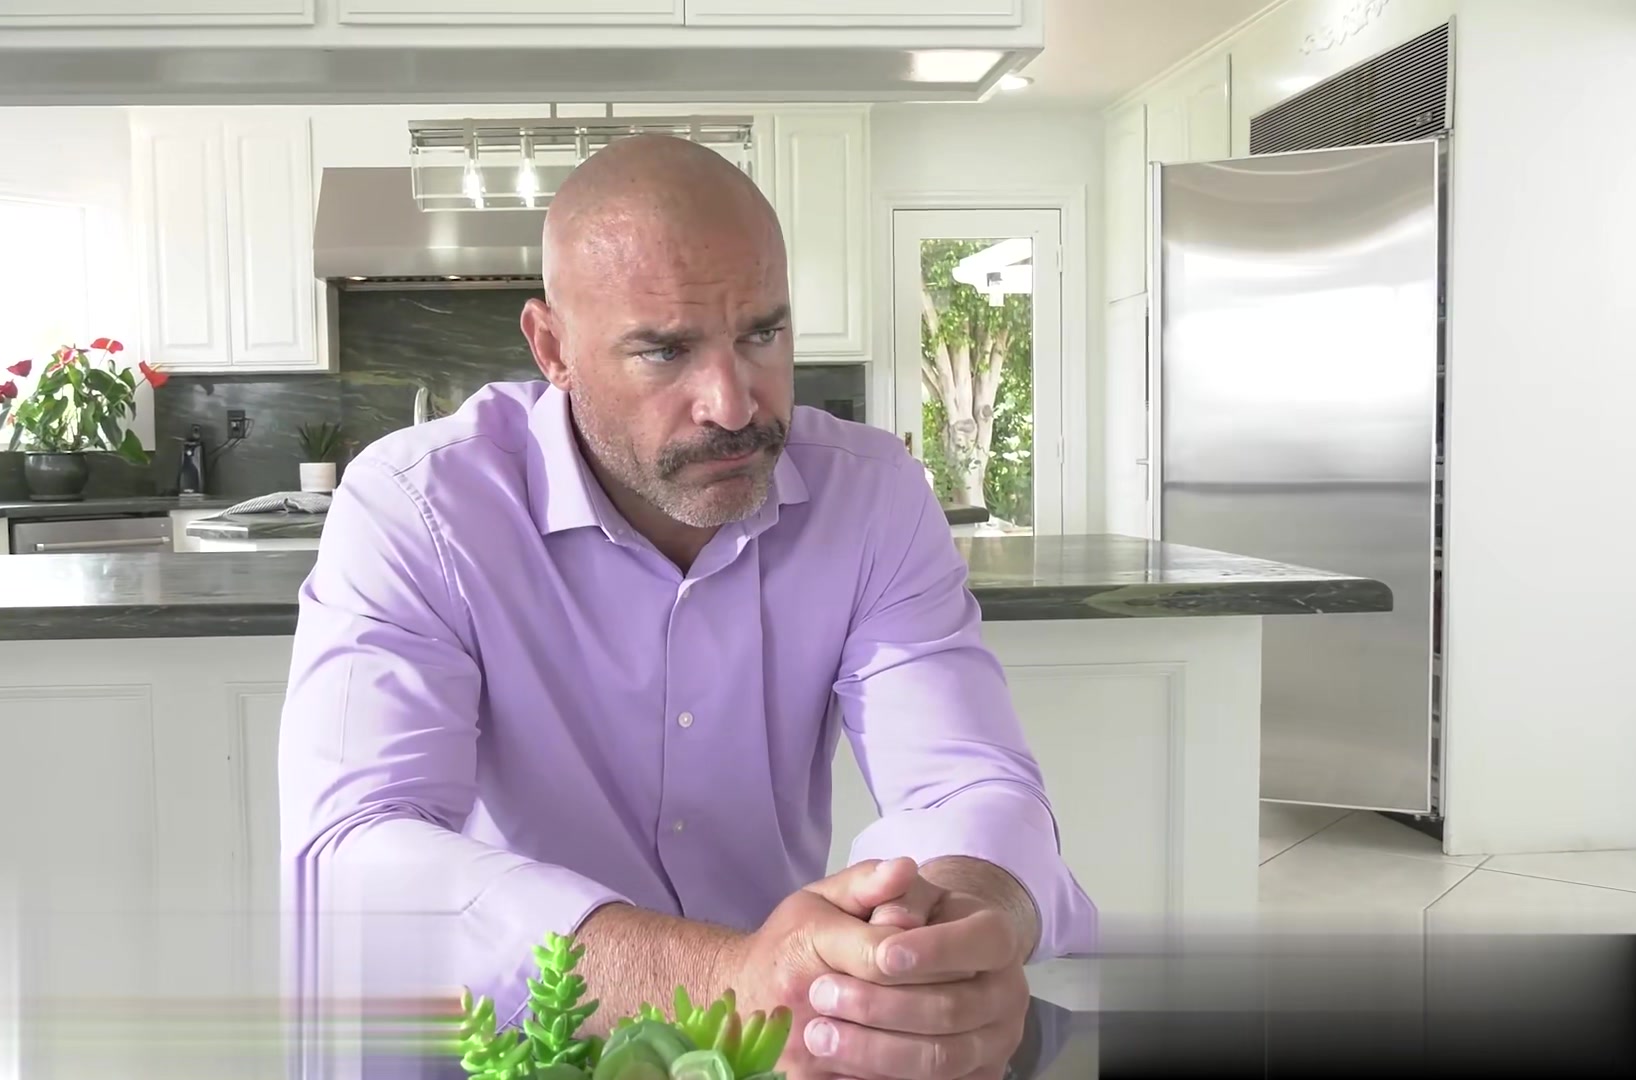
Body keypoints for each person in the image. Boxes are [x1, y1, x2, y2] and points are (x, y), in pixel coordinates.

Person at [278, 133, 1096, 1080]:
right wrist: (726, 978)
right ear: (553, 349)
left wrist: (956, 934)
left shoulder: (871, 497)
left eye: (762, 336)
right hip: (512, 1039)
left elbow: (964, 784)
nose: (733, 405)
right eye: (665, 350)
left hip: (785, 1044)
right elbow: (351, 859)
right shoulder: (420, 505)